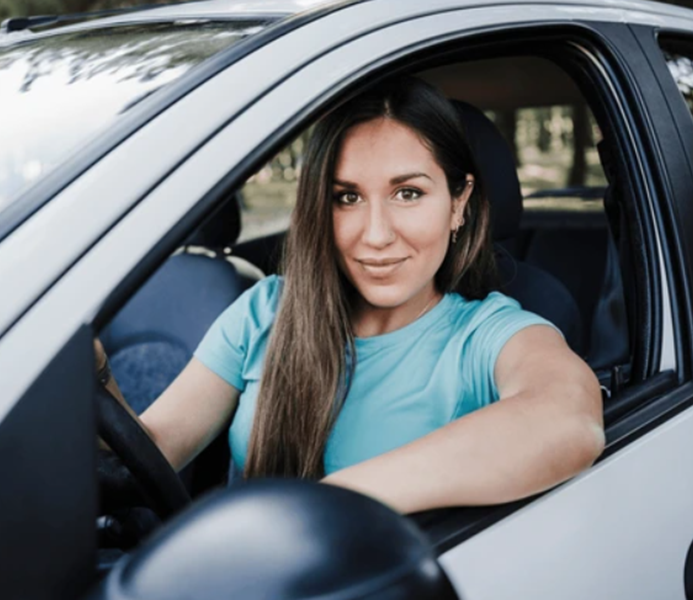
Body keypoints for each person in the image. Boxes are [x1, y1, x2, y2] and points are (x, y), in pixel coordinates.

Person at [110, 75, 604, 515]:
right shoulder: (267, 310)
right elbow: (150, 452)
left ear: (459, 203)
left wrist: (325, 506)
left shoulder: (487, 335)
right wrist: (94, 377)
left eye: (408, 193)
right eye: (347, 198)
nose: (376, 235)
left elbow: (568, 418)